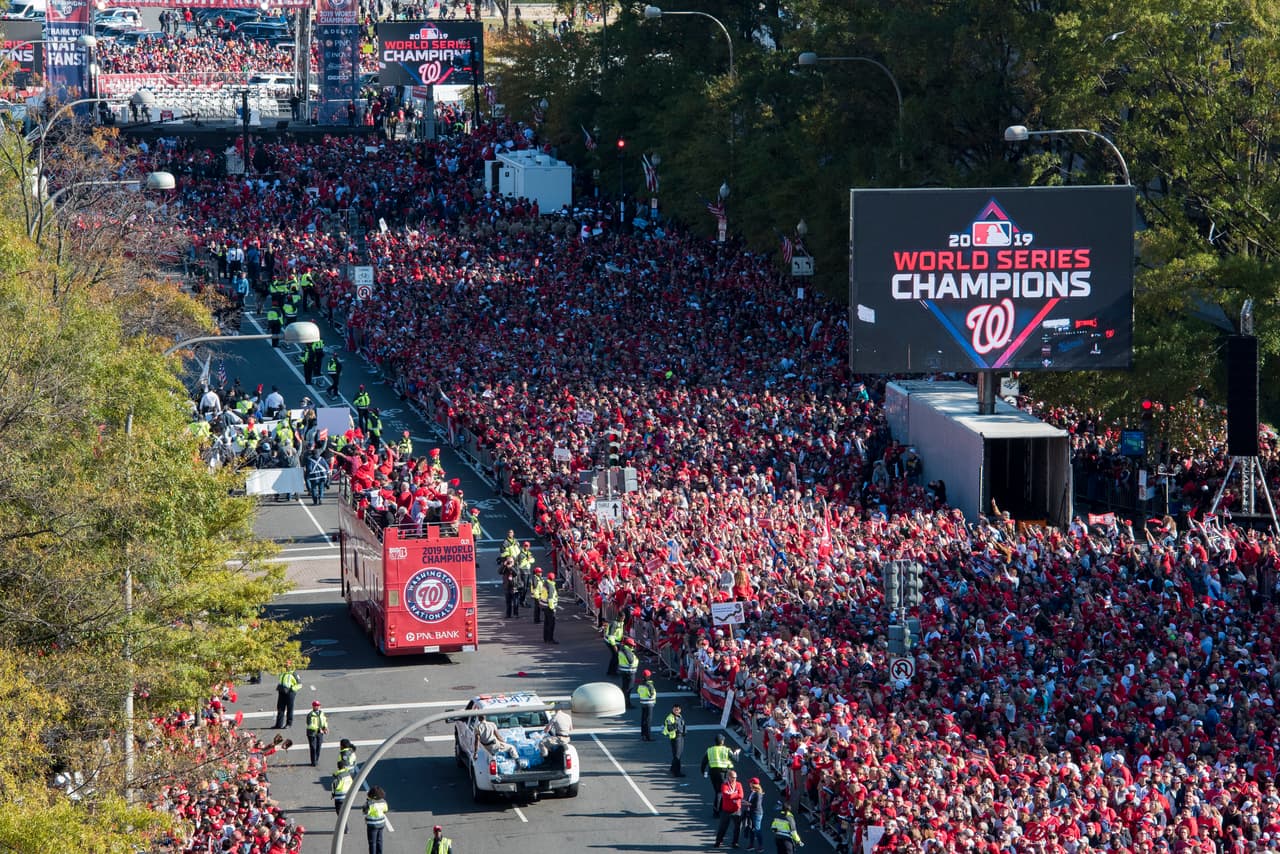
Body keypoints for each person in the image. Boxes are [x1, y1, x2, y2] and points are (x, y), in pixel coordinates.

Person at [702, 733, 741, 815]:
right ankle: (717, 810)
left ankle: (719, 808)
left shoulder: (710, 750)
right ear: (722, 741)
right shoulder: (726, 750)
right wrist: (736, 753)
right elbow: (736, 760)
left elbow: (703, 763)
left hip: (713, 773)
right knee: (721, 792)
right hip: (723, 773)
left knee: (717, 791)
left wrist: (703, 772)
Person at [714, 770, 744, 848]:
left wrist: (731, 794)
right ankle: (718, 841)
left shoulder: (739, 784)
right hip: (726, 810)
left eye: (735, 777)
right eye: (733, 777)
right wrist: (735, 795)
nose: (734, 779)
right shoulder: (724, 785)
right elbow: (726, 795)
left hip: (736, 810)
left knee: (738, 828)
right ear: (729, 777)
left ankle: (735, 842)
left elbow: (741, 795)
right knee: (723, 827)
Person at [741, 777, 766, 852]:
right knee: (752, 829)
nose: (749, 784)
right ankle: (751, 845)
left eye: (750, 782)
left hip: (757, 814)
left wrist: (744, 803)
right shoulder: (753, 792)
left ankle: (761, 846)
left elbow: (755, 805)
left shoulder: (758, 794)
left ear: (753, 784)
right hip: (751, 813)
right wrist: (742, 801)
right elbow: (748, 801)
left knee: (757, 829)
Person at [363, 785, 388, 854]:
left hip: (372, 825)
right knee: (379, 840)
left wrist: (367, 801)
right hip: (381, 824)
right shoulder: (383, 802)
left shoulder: (369, 803)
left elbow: (365, 812)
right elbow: (385, 810)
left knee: (372, 842)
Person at [663, 704, 687, 776]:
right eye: (675, 709)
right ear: (672, 709)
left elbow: (683, 725)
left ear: (680, 710)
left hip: (681, 737)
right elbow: (669, 728)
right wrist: (675, 725)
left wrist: (684, 732)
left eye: (677, 710)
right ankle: (677, 772)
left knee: (678, 754)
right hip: (675, 737)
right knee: (677, 755)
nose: (676, 711)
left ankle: (673, 768)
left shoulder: (680, 716)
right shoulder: (670, 717)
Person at [617, 637, 638, 707]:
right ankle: (627, 704)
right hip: (629, 672)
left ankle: (623, 702)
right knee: (628, 689)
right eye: (632, 645)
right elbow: (631, 661)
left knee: (624, 687)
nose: (633, 647)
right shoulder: (627, 651)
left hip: (624, 671)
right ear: (629, 645)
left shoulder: (623, 649)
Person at [306, 700, 328, 767]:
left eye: (318, 705)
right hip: (312, 733)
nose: (317, 707)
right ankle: (313, 762)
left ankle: (316, 760)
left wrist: (325, 728)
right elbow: (309, 725)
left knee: (318, 747)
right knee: (313, 747)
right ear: (313, 706)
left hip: (320, 733)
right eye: (315, 705)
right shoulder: (310, 715)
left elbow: (324, 721)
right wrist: (318, 729)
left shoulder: (322, 713)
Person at [636, 670, 657, 741]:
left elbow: (639, 692)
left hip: (643, 703)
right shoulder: (649, 685)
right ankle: (648, 736)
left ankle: (643, 734)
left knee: (643, 719)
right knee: (648, 720)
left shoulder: (641, 684)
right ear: (648, 676)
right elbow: (651, 694)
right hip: (649, 704)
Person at [542, 572, 559, 643]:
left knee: (546, 623)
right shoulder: (551, 586)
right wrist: (552, 608)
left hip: (545, 606)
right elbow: (550, 598)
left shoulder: (545, 584)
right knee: (551, 624)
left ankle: (545, 638)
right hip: (549, 607)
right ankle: (550, 639)